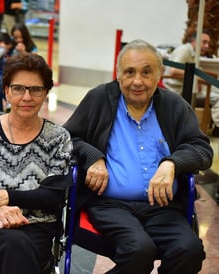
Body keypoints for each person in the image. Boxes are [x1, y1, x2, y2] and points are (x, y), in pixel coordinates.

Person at [63, 39, 213, 274]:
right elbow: (66, 140)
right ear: (118, 74)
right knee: (139, 250)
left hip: (163, 206)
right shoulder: (100, 99)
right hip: (111, 205)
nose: (137, 81)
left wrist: (172, 164)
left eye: (146, 72)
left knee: (189, 250)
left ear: (159, 74)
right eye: (129, 72)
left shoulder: (174, 106)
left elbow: (202, 149)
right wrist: (93, 156)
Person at [0, 52, 72, 274]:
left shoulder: (58, 138)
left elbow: (53, 195)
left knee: (15, 249)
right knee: (14, 246)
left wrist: (7, 196)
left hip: (36, 227)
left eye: (35, 89)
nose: (26, 97)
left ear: (46, 93)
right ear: (6, 91)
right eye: (18, 88)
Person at [163, 30, 211, 95]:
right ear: (193, 41)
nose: (207, 46)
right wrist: (196, 76)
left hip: (186, 89)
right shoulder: (184, 50)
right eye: (204, 42)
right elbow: (173, 71)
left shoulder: (194, 53)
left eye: (208, 43)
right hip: (175, 91)